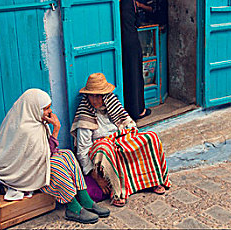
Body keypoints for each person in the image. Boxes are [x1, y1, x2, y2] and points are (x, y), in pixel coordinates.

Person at [0, 89, 110, 224]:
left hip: (33, 164)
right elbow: (43, 155)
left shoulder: (36, 123)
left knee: (68, 155)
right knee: (56, 167)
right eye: (46, 108)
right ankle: (72, 207)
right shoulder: (26, 129)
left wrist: (53, 132)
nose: (50, 111)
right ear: (33, 108)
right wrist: (56, 130)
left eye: (49, 107)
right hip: (20, 171)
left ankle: (85, 199)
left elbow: (46, 152)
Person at [71, 73, 171, 207]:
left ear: (105, 96)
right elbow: (83, 151)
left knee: (150, 138)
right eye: (91, 95)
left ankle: (153, 180)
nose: (95, 100)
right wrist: (95, 176)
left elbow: (130, 125)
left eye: (98, 96)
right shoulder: (85, 115)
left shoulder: (113, 104)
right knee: (105, 148)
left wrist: (124, 135)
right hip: (103, 151)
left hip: (119, 141)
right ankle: (117, 191)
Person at [119, 0, 151, 120]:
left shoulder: (113, 2)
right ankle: (138, 110)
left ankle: (125, 110)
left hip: (119, 43)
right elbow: (137, 22)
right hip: (132, 42)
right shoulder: (129, 1)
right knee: (136, 76)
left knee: (125, 75)